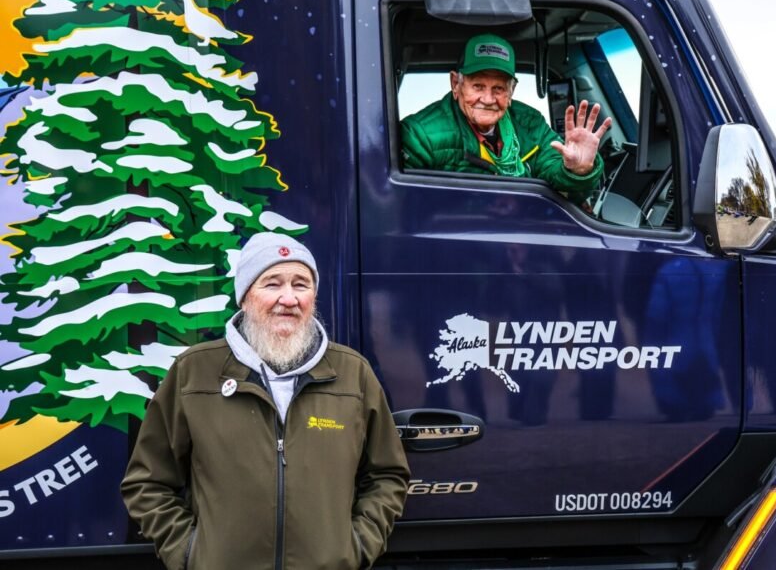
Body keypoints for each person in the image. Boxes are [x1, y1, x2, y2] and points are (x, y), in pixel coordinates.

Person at [121, 233, 410, 570]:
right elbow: (148, 482)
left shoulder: (352, 373)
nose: (288, 298)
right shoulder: (194, 371)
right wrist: (190, 554)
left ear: (313, 296)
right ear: (245, 297)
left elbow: (387, 475)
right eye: (272, 283)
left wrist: (356, 546)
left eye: (300, 284)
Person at [401, 33, 612, 204]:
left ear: (511, 92)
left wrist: (578, 170)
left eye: (499, 88)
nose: (488, 98)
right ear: (455, 84)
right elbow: (405, 209)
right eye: (478, 86)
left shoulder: (530, 123)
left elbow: (560, 180)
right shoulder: (419, 135)